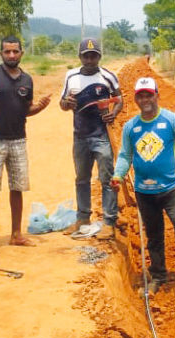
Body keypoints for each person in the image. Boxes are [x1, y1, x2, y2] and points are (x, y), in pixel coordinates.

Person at [111, 77, 175, 297]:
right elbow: (126, 155)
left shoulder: (171, 120)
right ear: (136, 98)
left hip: (173, 187)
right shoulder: (131, 127)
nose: (145, 99)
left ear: (157, 95)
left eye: (149, 94)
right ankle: (157, 277)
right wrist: (118, 174)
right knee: (154, 235)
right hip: (144, 191)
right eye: (140, 95)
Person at [0, 36, 51, 254]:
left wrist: (40, 107)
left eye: (15, 51)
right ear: (1, 53)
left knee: (17, 188)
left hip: (19, 140)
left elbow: (26, 110)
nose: (11, 55)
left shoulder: (27, 80)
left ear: (22, 53)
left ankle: (16, 234)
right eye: (7, 52)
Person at [60, 38, 123, 239]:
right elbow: (62, 103)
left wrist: (114, 112)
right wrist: (66, 103)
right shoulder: (71, 76)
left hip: (102, 136)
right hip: (80, 136)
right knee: (82, 179)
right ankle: (83, 218)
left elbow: (120, 99)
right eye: (86, 56)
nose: (89, 60)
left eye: (93, 56)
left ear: (99, 57)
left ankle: (109, 221)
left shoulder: (108, 76)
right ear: (80, 57)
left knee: (107, 178)